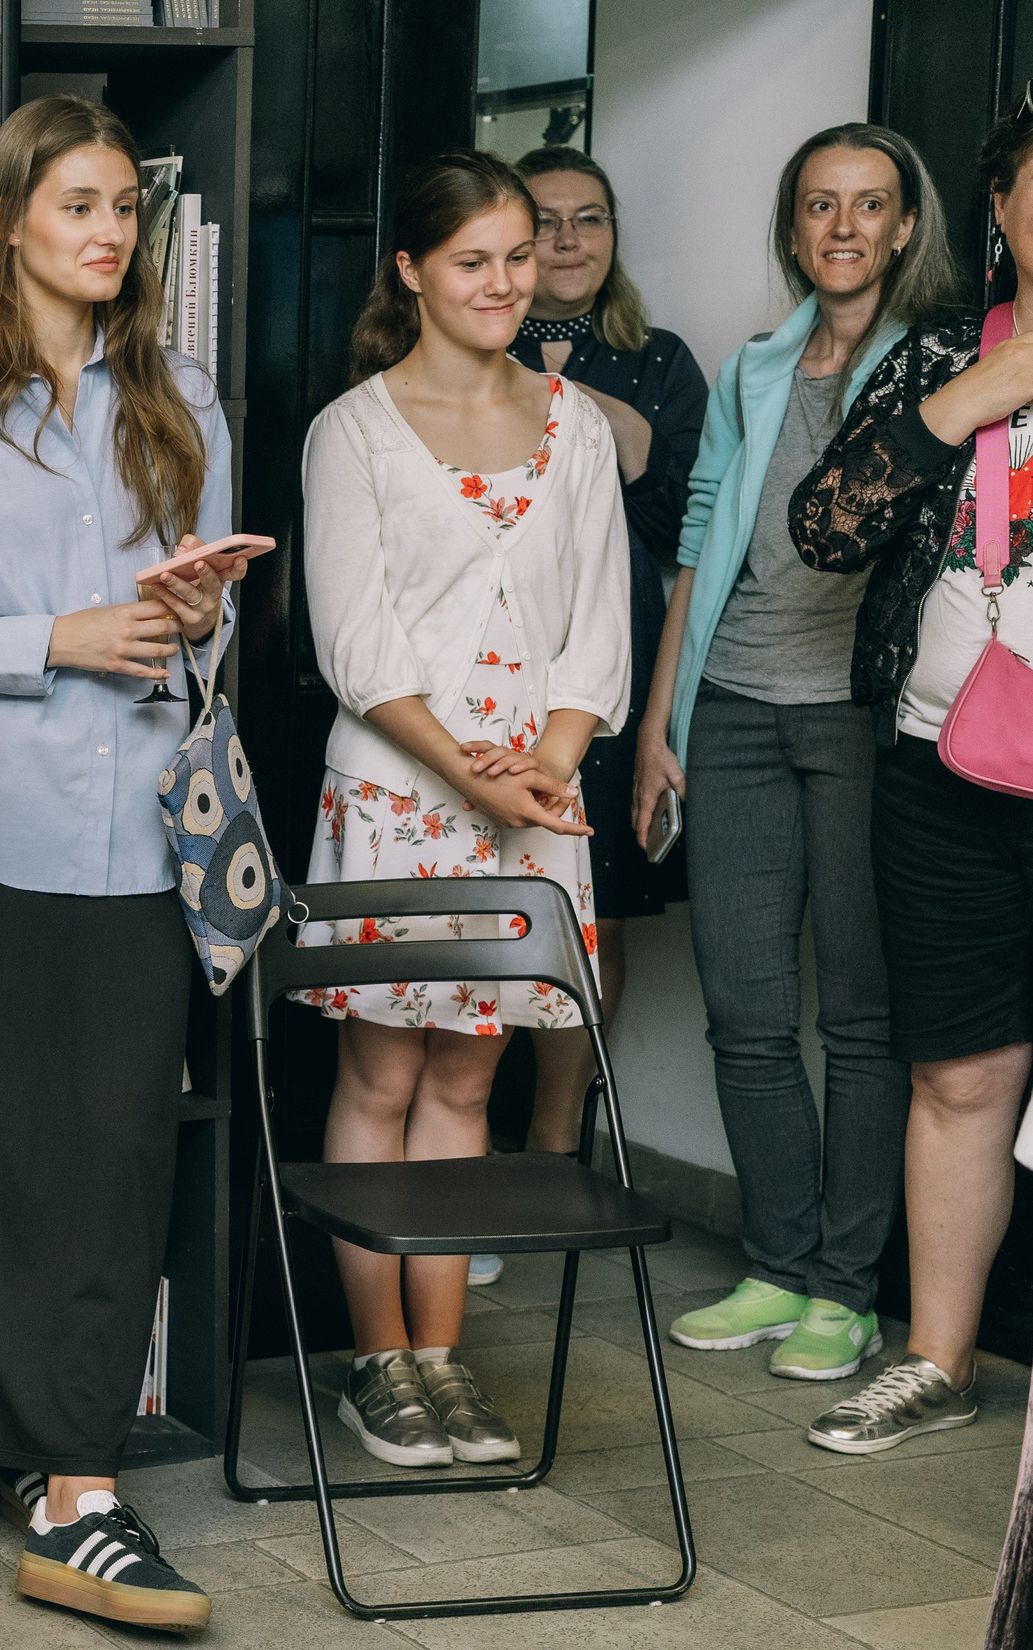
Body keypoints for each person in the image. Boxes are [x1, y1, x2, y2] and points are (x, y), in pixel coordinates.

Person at [0, 94, 252, 1635]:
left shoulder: (185, 401)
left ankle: (75, 1474)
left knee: (120, 1154)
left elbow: (205, 605)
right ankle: (43, 1467)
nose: (106, 232)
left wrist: (198, 612)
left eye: (124, 210)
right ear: (10, 218)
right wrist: (50, 640)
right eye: (76, 204)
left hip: (152, 829)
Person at [295, 150, 630, 1471]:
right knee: (380, 1070)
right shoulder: (354, 429)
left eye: (519, 257)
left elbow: (597, 628)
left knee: (470, 1077)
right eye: (475, 258)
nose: (504, 281)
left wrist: (542, 766)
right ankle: (375, 1362)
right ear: (414, 271)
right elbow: (357, 642)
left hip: (535, 807)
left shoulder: (577, 422)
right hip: (396, 793)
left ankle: (442, 1358)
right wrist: (471, 769)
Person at [633, 125, 951, 1382]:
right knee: (746, 1013)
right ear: (793, 226)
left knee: (864, 1022)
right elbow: (701, 541)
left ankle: (844, 1287)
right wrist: (664, 721)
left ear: (905, 228)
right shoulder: (755, 364)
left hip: (863, 718)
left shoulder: (931, 362)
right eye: (819, 206)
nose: (842, 228)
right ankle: (774, 1263)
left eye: (869, 207)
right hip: (738, 702)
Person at [786, 105, 1033, 1461]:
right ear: (1000, 209)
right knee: (962, 1072)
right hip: (948, 771)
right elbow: (821, 529)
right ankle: (937, 1356)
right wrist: (967, 405)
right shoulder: (944, 352)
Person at [495, 145, 708, 1205]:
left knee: (595, 919)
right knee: (485, 907)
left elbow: (672, 518)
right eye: (545, 220)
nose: (569, 240)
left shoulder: (656, 359)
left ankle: (548, 1152)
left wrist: (564, 392)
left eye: (589, 219)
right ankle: (463, 1157)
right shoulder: (463, 345)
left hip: (609, 666)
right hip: (488, 672)